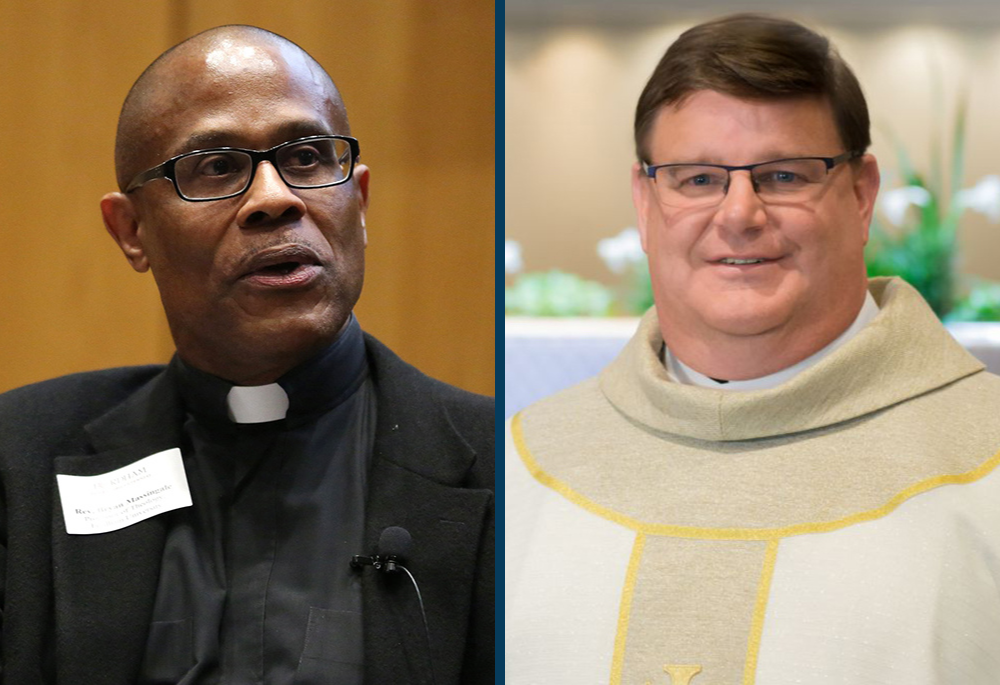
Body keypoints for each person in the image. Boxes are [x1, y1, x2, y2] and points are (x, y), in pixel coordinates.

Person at [505, 13, 1000, 684]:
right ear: (644, 203)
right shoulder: (523, 466)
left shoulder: (986, 463)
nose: (739, 214)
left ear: (861, 194)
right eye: (698, 179)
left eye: (785, 175)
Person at [0, 25, 493, 684]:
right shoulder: (19, 462)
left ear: (361, 202)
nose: (275, 198)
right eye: (217, 167)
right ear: (131, 231)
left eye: (309, 157)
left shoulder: (503, 466)